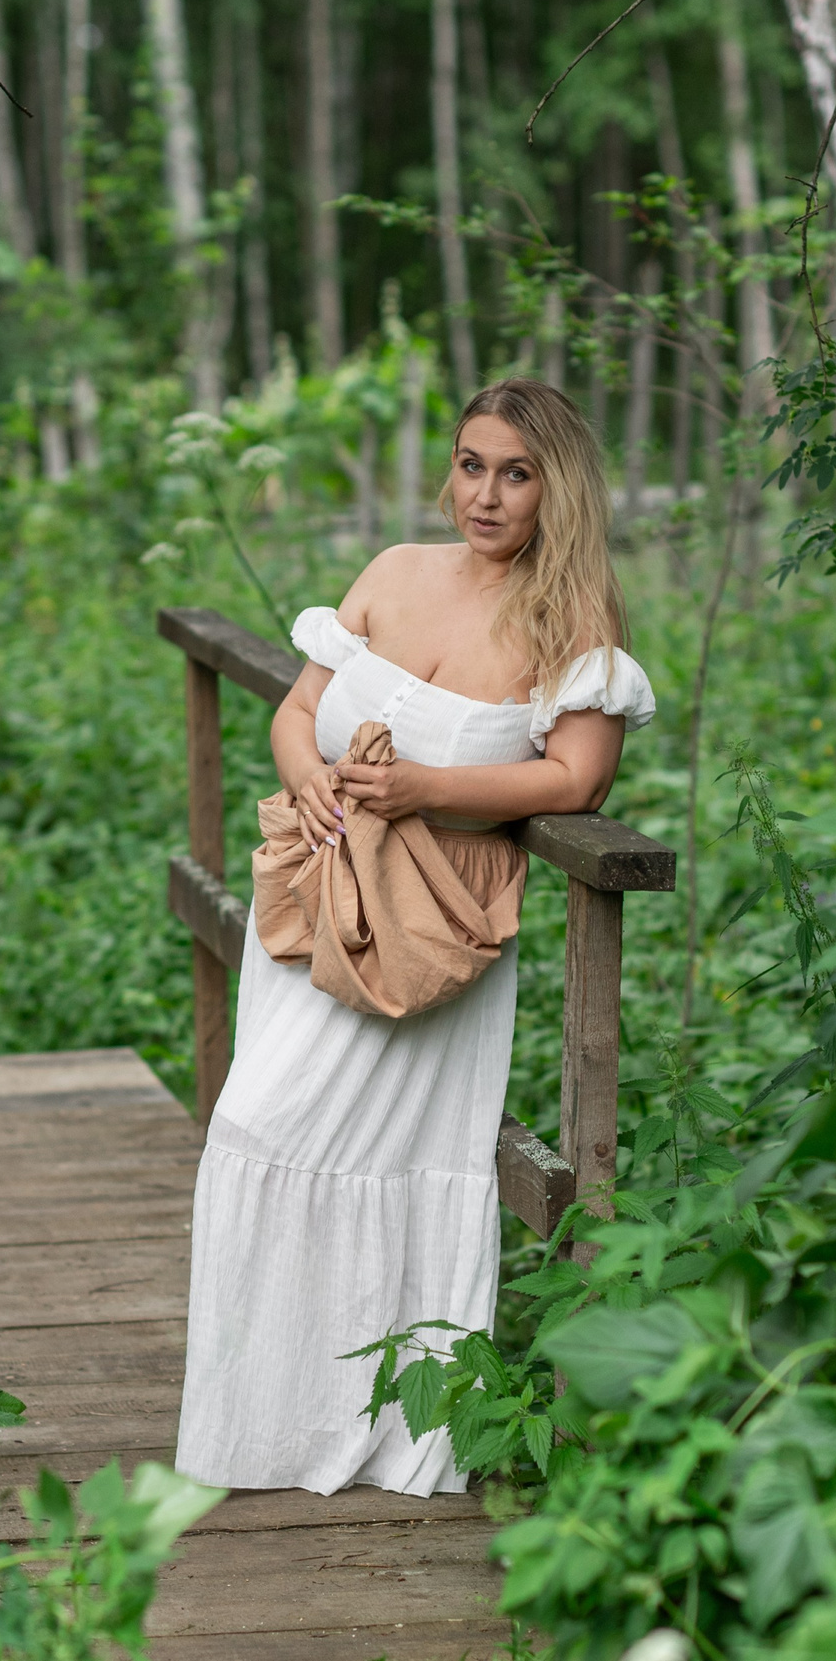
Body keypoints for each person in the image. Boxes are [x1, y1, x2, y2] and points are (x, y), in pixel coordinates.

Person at [176, 377, 656, 1496]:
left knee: (395, 1162)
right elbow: (298, 712)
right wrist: (318, 789)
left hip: (439, 921)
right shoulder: (392, 573)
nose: (483, 493)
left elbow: (577, 776)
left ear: (557, 489)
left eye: (515, 472)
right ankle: (262, 1427)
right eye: (470, 462)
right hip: (320, 896)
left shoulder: (569, 618)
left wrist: (424, 788)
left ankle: (391, 1427)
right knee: (254, 1128)